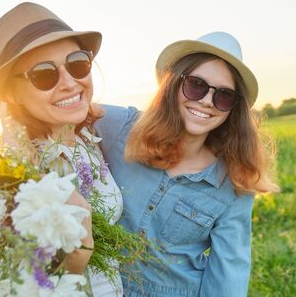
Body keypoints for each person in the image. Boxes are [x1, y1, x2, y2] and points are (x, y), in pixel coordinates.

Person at [96, 32, 279, 296]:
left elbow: (229, 273)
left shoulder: (233, 182)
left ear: (233, 109)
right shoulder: (121, 128)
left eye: (224, 96)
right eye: (196, 85)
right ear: (174, 84)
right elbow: (63, 112)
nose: (206, 101)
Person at [0, 2, 123, 296]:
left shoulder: (89, 139)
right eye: (44, 74)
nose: (69, 83)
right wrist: (75, 261)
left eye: (77, 63)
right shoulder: (16, 179)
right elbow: (19, 288)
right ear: (14, 93)